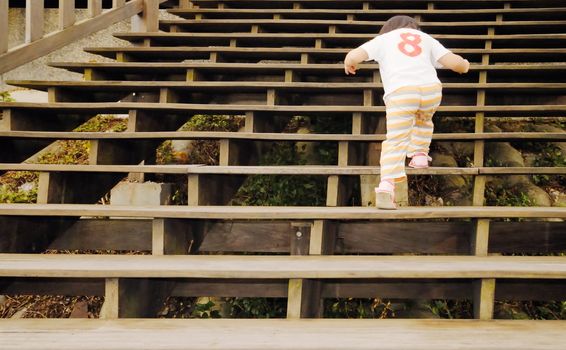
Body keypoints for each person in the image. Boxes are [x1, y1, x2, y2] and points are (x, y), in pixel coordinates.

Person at [344, 15, 470, 209]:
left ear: (387, 29)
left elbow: (355, 55)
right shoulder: (426, 39)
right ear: (414, 29)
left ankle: (387, 184)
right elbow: (453, 61)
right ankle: (419, 154)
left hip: (402, 93)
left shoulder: (383, 40)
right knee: (423, 119)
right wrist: (464, 66)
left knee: (396, 138)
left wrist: (349, 62)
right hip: (431, 91)